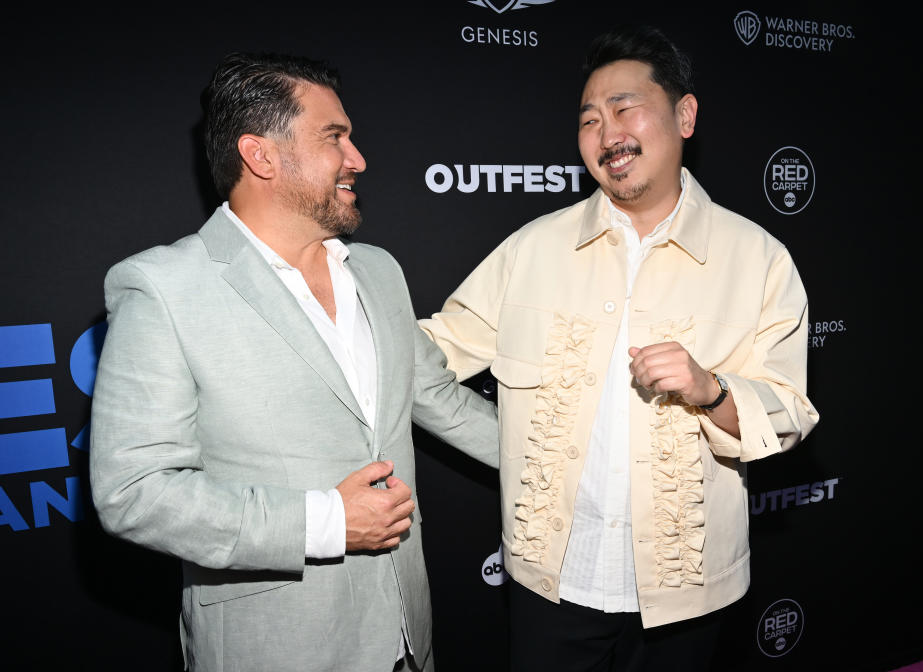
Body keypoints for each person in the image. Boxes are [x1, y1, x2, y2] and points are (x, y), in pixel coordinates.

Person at [418, 25, 819, 671]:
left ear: (684, 115)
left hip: (688, 597)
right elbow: (434, 348)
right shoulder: (533, 249)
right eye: (589, 120)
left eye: (625, 108)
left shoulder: (760, 260)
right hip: (552, 583)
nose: (608, 135)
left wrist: (710, 389)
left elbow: (791, 412)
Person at [89, 52, 499, 672]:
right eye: (335, 137)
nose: (357, 157)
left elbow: (438, 399)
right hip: (279, 647)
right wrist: (329, 521)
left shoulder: (379, 270)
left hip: (408, 636)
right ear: (261, 156)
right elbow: (135, 492)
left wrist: (577, 459)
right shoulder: (163, 287)